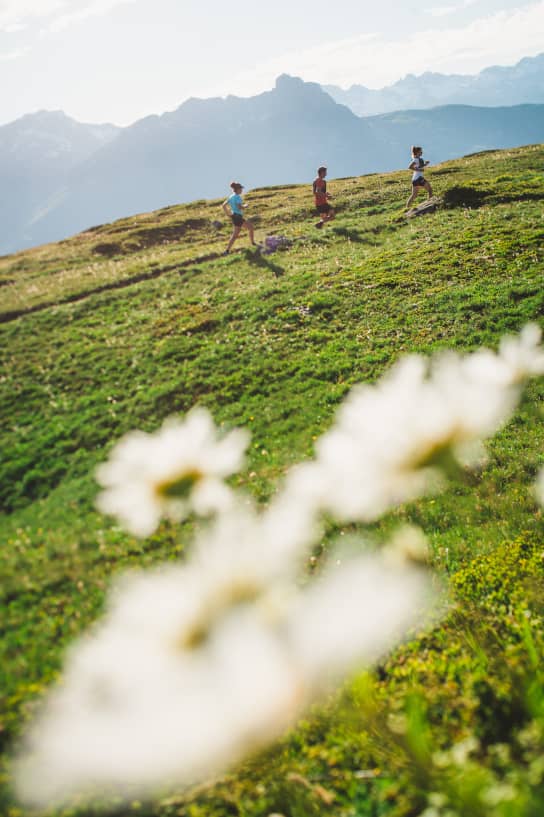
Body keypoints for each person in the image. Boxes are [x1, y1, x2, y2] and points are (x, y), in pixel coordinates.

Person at [221, 182, 260, 254]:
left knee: (238, 233)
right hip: (238, 217)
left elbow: (223, 205)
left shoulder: (231, 196)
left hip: (234, 216)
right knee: (249, 228)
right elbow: (239, 207)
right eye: (241, 189)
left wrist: (228, 214)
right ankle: (253, 243)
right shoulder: (237, 197)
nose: (242, 190)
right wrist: (245, 206)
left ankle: (227, 251)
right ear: (237, 189)